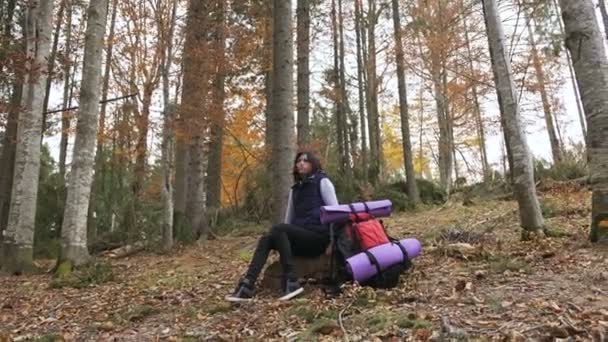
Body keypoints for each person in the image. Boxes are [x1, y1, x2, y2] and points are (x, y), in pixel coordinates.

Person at [226, 151, 339, 302]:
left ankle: (291, 280)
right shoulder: (295, 190)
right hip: (301, 238)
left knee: (278, 229)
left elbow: (336, 214)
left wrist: (333, 242)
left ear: (313, 163)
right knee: (267, 238)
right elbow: (289, 220)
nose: (301, 163)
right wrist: (280, 242)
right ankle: (248, 284)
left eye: (305, 161)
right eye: (298, 161)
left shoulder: (322, 182)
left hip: (318, 238)